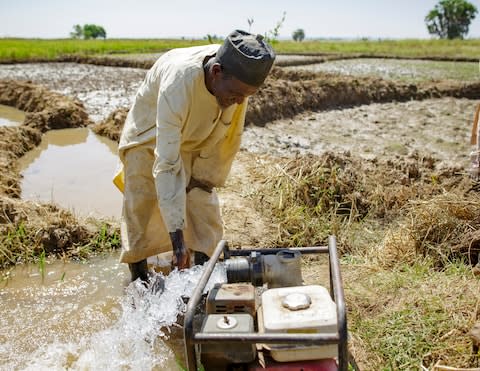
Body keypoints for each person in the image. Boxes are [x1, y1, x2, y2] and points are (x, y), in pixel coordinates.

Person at [113, 30, 276, 282]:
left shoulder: (237, 78)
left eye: (247, 96)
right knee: (143, 207)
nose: (241, 102)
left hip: (195, 134)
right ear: (216, 72)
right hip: (150, 134)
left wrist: (204, 176)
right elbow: (166, 164)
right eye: (236, 95)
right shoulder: (179, 82)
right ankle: (139, 282)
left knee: (202, 205)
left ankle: (203, 275)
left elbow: (227, 131)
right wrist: (177, 242)